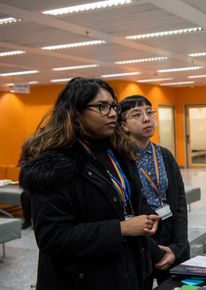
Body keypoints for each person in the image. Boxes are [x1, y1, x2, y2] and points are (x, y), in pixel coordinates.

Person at [19, 77, 160, 290]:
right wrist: (120, 229)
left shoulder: (119, 152)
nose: (113, 113)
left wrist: (151, 236)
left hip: (129, 273)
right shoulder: (54, 165)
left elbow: (127, 203)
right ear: (75, 113)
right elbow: (52, 237)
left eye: (113, 106)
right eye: (102, 107)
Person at [119, 95, 189, 285]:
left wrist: (178, 247)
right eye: (137, 114)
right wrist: (155, 252)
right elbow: (126, 213)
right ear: (123, 125)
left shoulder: (164, 155)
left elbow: (180, 201)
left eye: (149, 112)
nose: (146, 118)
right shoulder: (120, 162)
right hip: (142, 241)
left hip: (172, 233)